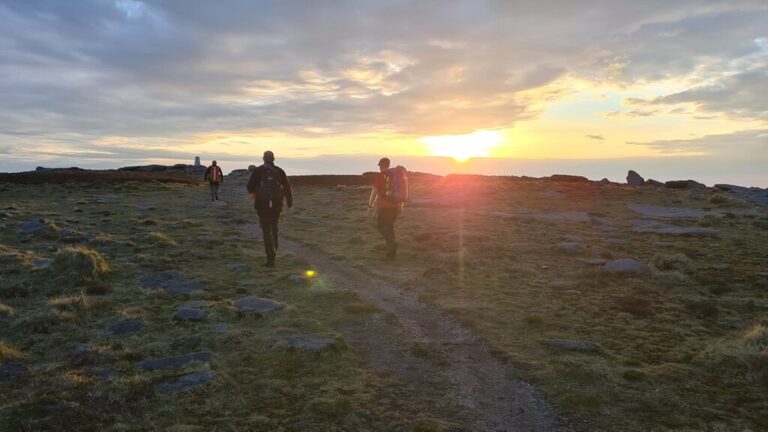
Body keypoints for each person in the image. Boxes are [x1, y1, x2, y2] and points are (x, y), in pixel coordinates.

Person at [247, 151, 293, 268]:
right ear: (273, 159)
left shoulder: (258, 170)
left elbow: (249, 187)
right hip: (277, 204)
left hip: (262, 204)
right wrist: (289, 202)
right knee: (274, 226)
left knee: (266, 230)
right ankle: (275, 247)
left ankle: (270, 258)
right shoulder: (280, 171)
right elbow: (287, 187)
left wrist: (256, 194)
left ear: (263, 158)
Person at [368, 157, 406, 259]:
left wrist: (370, 205)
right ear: (388, 165)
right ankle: (391, 251)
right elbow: (401, 192)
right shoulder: (397, 176)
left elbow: (374, 192)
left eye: (379, 166)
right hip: (396, 206)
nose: (379, 168)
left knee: (381, 226)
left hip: (385, 207)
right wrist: (401, 206)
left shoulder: (380, 176)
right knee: (390, 227)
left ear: (381, 165)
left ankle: (392, 246)